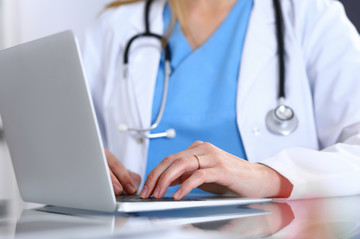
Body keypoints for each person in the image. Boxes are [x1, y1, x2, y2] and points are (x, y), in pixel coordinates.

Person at [81, 0, 360, 200]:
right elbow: (62, 137)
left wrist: (268, 176)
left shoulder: (312, 16)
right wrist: (82, 161)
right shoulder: (113, 27)